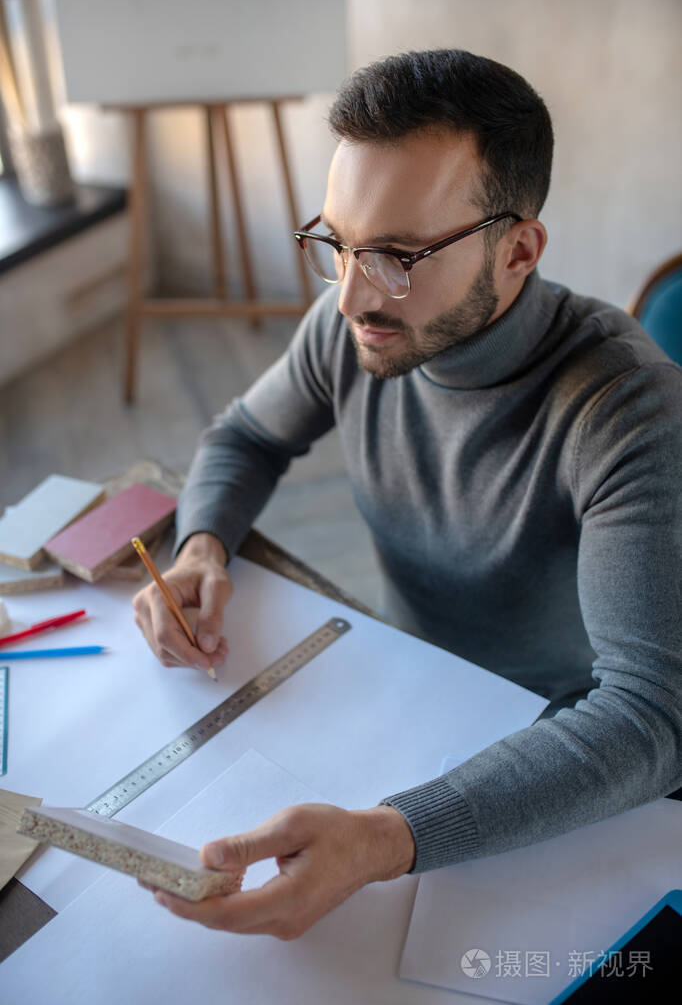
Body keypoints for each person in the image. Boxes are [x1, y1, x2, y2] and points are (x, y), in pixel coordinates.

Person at [133, 49, 682, 940]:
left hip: (561, 765)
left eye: (396, 254)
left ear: (519, 250)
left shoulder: (628, 409)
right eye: (338, 243)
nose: (351, 295)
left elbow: (650, 719)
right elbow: (246, 435)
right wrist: (201, 545)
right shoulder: (357, 323)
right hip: (398, 693)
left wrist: (391, 838)